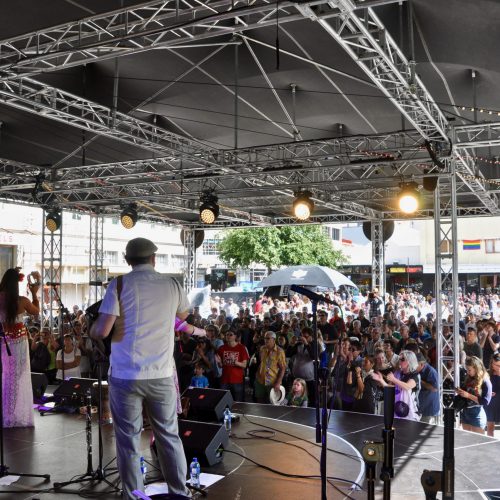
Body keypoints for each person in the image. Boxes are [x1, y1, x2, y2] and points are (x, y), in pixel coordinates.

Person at [90, 237, 201, 499]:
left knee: (128, 440)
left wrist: (93, 329)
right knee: (168, 436)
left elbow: (103, 330)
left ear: (128, 261)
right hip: (161, 374)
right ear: (154, 259)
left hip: (125, 375)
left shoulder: (118, 285)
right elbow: (183, 317)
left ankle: (135, 495)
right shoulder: (172, 285)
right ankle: (179, 492)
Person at [0, 268, 40, 427]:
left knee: (7, 376)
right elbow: (36, 312)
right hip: (19, 343)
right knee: (18, 377)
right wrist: (35, 293)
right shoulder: (22, 301)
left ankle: (7, 412)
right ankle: (13, 413)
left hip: (4, 341)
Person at [372, 350, 421, 421]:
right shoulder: (398, 373)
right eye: (399, 359)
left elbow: (407, 386)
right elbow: (389, 388)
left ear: (409, 361)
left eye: (402, 359)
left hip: (411, 413)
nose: (400, 361)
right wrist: (381, 380)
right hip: (397, 410)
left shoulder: (415, 375)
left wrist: (394, 379)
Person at [456, 356, 492, 434]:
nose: (468, 372)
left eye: (469, 370)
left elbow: (485, 402)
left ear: (476, 368)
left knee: (478, 443)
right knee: (467, 441)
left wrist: (468, 395)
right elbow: (466, 393)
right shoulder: (469, 378)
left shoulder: (485, 381)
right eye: (467, 370)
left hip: (477, 413)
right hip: (465, 412)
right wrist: (461, 392)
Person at [216, 330, 249, 401]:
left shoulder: (241, 348)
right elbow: (221, 366)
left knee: (237, 401)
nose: (228, 336)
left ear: (235, 336)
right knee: (224, 401)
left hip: (237, 380)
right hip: (225, 379)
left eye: (230, 335)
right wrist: (219, 363)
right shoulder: (221, 348)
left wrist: (235, 362)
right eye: (227, 335)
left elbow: (244, 365)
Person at [255, 331, 286, 404]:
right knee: (259, 401)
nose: (265, 340)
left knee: (272, 403)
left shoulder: (280, 351)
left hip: (272, 381)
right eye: (265, 338)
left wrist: (278, 382)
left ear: (274, 340)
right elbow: (261, 362)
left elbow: (283, 368)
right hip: (260, 380)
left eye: (268, 338)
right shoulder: (262, 348)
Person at [415, 352, 440, 424]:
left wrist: (419, 380)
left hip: (429, 410)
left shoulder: (431, 371)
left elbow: (435, 388)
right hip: (420, 408)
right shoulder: (417, 371)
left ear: (421, 364)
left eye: (415, 365)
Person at [486, 353, 500, 437]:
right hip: (490, 404)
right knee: (490, 427)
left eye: (499, 365)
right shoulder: (487, 373)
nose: (498, 367)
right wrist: (487, 393)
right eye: (496, 365)